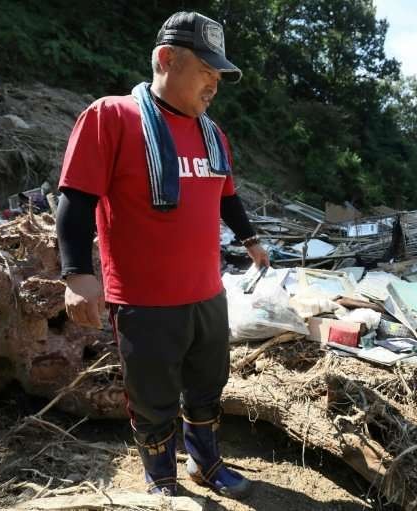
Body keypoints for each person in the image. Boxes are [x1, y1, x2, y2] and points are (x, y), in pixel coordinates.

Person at [55, 11, 268, 498]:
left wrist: (250, 239)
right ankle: (161, 477)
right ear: (166, 59)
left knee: (208, 384)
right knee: (152, 397)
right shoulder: (111, 117)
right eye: (205, 72)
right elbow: (76, 197)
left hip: (206, 293)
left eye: (218, 76)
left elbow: (226, 196)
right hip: (145, 300)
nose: (213, 85)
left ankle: (206, 463)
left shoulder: (214, 134)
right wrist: (76, 275)